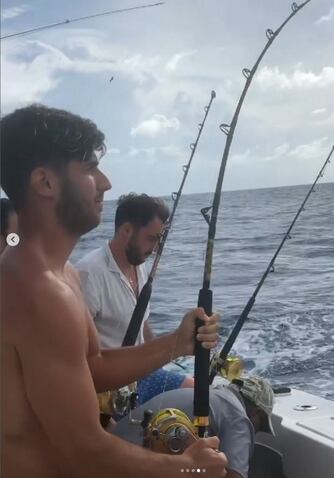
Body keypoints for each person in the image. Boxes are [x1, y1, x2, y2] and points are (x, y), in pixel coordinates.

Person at [0, 104, 227, 478]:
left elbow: (94, 366)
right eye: (90, 169)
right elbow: (85, 449)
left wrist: (177, 342)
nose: (105, 183)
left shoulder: (62, 274)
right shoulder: (35, 290)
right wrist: (188, 469)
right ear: (45, 183)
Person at [76, 193, 193, 405]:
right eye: (151, 238)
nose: (156, 248)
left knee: (203, 395)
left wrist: (157, 364)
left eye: (159, 240)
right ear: (127, 231)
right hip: (107, 389)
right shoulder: (89, 273)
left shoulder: (140, 265)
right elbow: (77, 357)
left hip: (140, 377)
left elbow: (143, 324)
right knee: (195, 396)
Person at [113, 375, 275, 478]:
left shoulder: (207, 395)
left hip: (108, 456)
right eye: (259, 427)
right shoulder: (238, 416)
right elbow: (234, 475)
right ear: (256, 412)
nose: (255, 432)